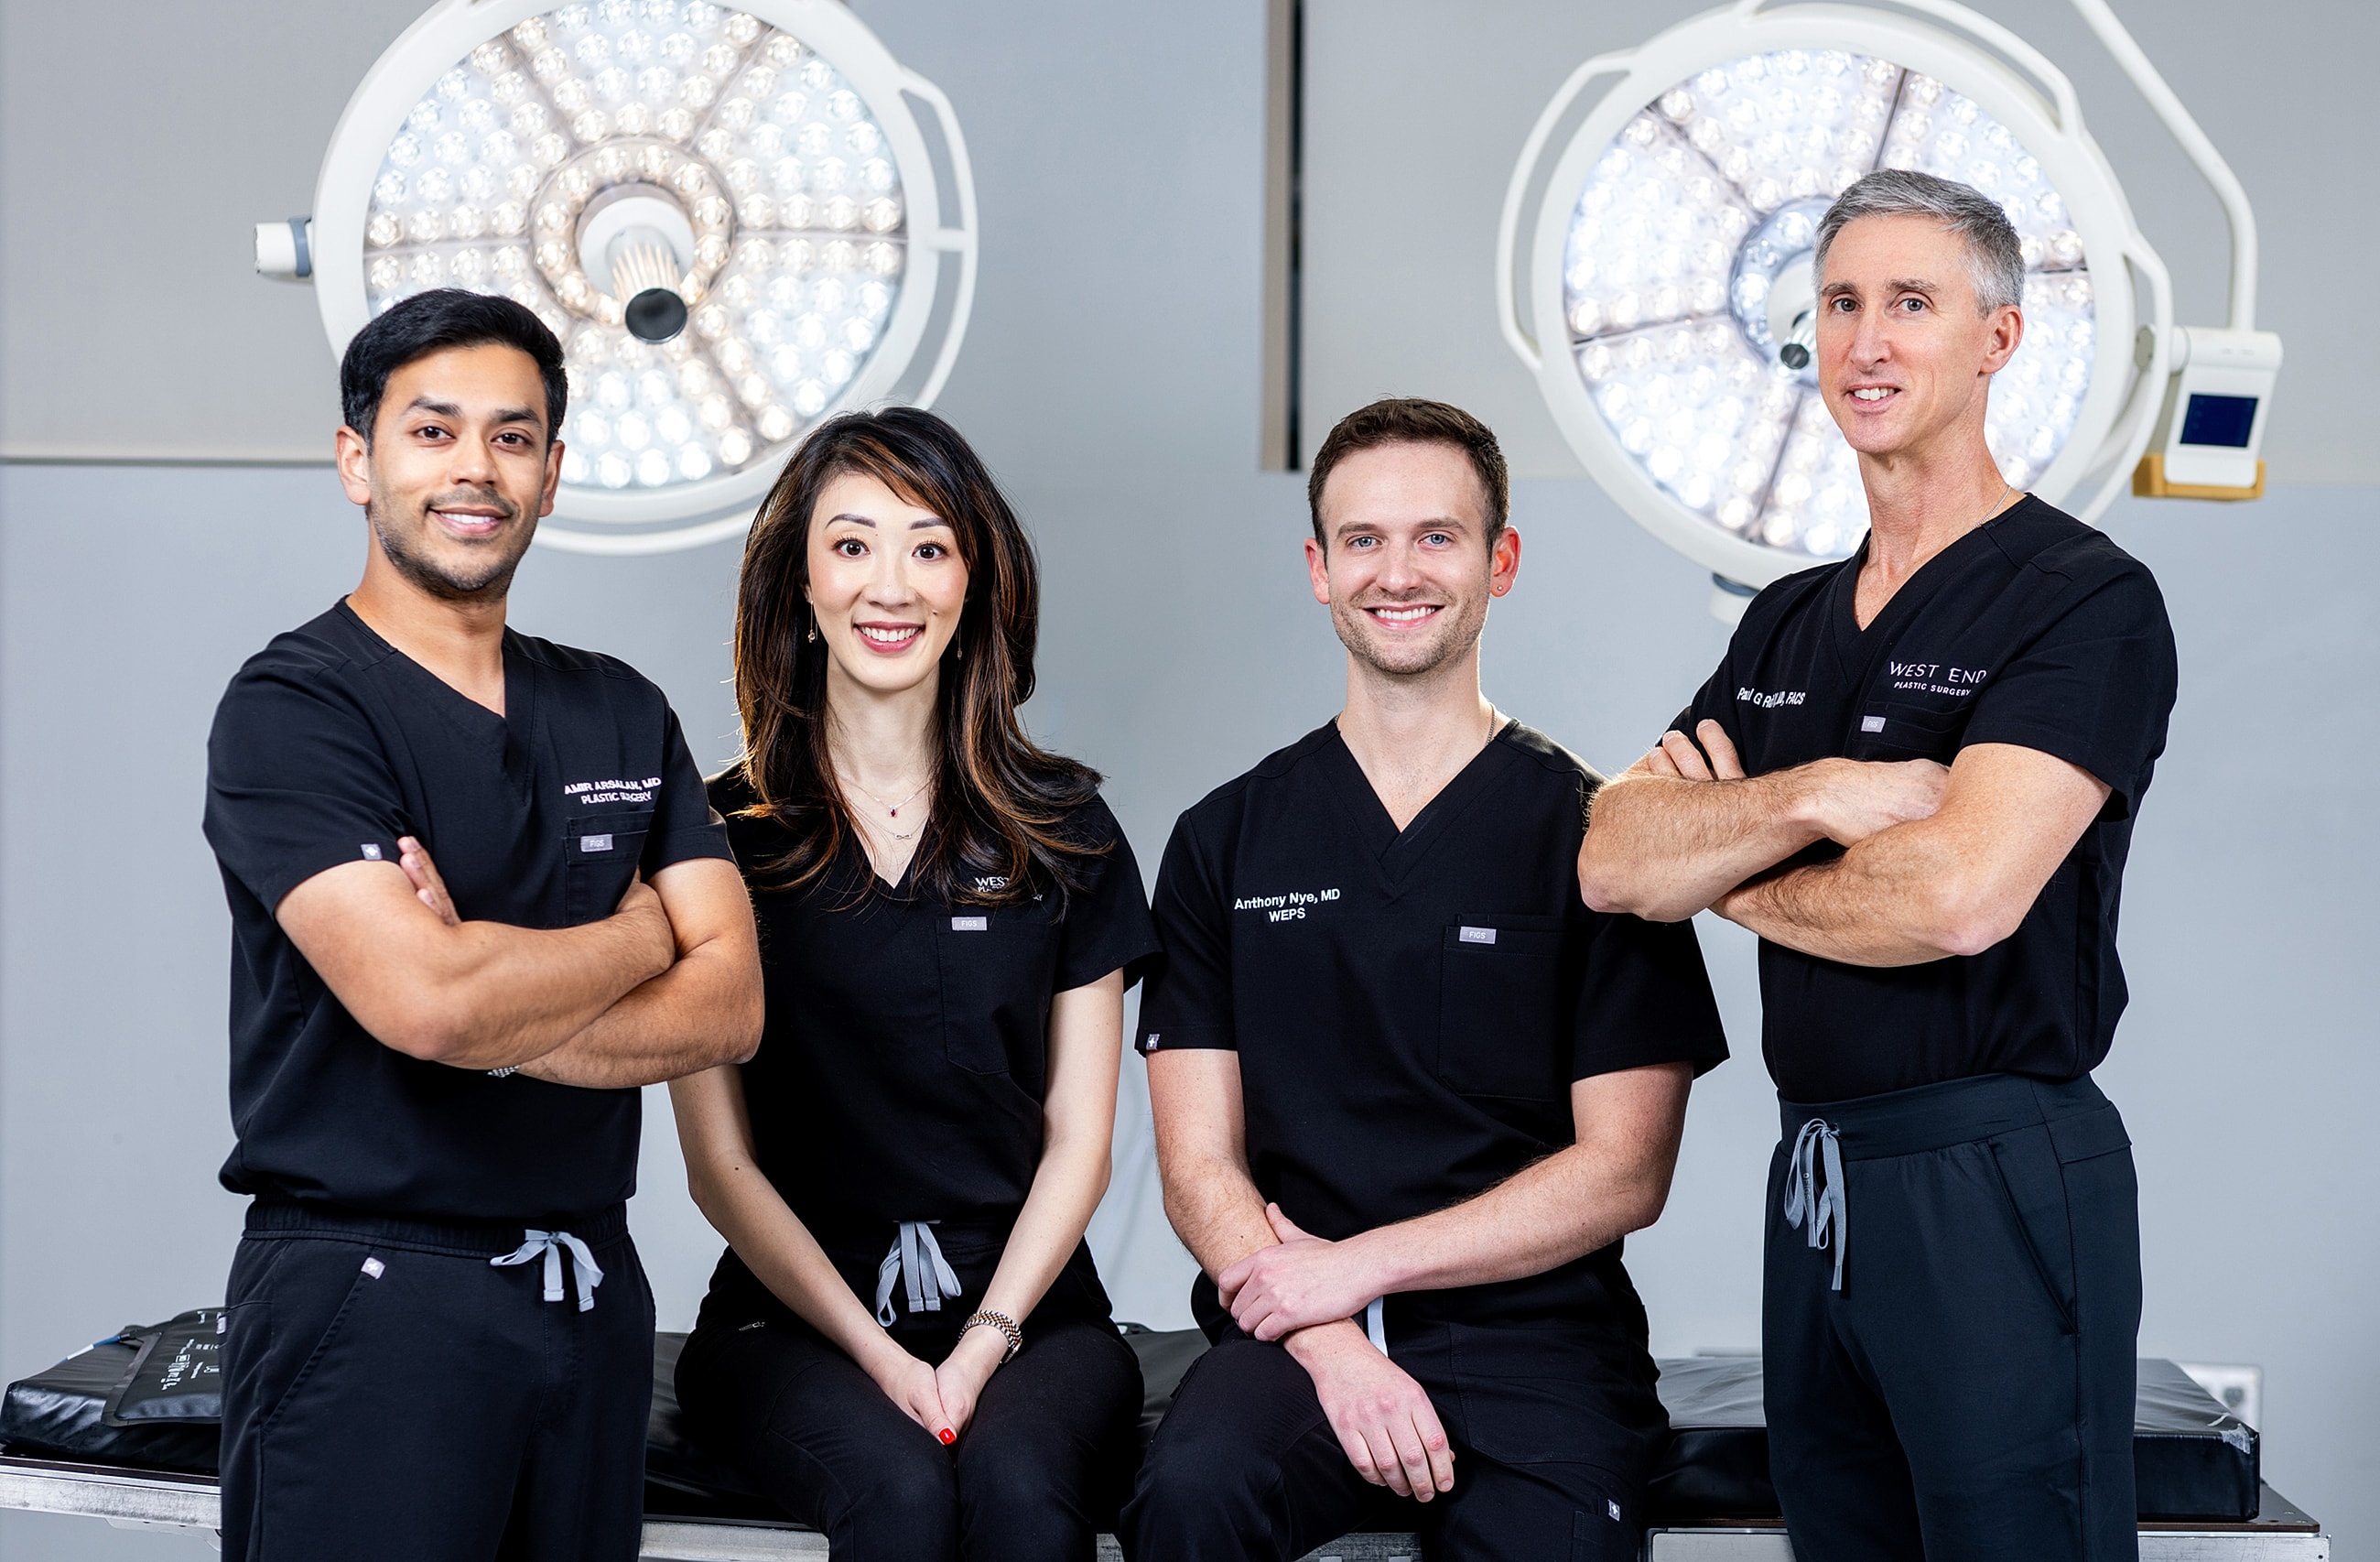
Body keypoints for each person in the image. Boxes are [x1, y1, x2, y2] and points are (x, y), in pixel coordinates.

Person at [1578, 169, 2180, 1562]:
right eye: (1841, 302)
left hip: (1994, 1173)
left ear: (1997, 337)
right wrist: (1821, 794)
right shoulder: (1786, 622)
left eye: (1911, 302)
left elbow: (1958, 897)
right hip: (1817, 1177)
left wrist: (1724, 865)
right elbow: (1612, 855)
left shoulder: (2079, 599)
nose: (1865, 341)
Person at [201, 288, 763, 1561]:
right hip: (371, 1290)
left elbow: (732, 1003)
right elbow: (430, 1002)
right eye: (433, 430)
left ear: (551, 475)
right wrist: (638, 939)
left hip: (589, 1293)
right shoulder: (296, 709)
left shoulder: (619, 708)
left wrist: (495, 995)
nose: (475, 468)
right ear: (359, 460)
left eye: (512, 438)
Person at [1120, 398, 1730, 1562]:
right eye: (1362, 539)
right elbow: (1198, 1165)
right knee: (1192, 1496)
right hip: (1292, 1336)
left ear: (1500, 560)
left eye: (1435, 536)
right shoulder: (1224, 840)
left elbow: (1624, 1169)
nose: (1395, 572)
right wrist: (1331, 1335)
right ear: (1318, 568)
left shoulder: (1597, 836)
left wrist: (1358, 1266)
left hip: (1537, 1342)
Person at [670, 407, 1162, 1562]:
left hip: (1032, 1314)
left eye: (928, 545)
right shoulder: (714, 836)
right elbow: (720, 1164)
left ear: (972, 583)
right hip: (788, 1322)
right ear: (799, 583)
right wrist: (878, 1353)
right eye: (850, 544)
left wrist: (982, 1341)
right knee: (896, 1494)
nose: (888, 585)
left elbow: (1080, 1143)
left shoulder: (1065, 831)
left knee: (1021, 1489)